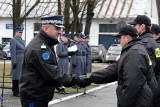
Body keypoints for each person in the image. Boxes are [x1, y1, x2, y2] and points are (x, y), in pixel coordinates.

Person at [19, 15, 86, 107]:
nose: (60, 32)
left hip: (37, 95)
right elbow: (54, 74)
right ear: (46, 28)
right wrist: (78, 80)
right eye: (57, 28)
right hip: (34, 98)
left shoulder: (44, 44)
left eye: (61, 29)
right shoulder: (40, 48)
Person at [81, 25, 153, 107]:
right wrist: (91, 78)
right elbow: (113, 70)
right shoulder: (131, 50)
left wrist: (123, 102)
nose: (119, 40)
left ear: (128, 38)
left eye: (120, 37)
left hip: (136, 102)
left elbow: (133, 84)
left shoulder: (134, 53)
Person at [129, 15, 160, 107]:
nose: (134, 28)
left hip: (149, 86)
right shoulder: (153, 42)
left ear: (142, 26)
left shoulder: (144, 43)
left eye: (135, 26)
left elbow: (149, 67)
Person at [10, 25, 25, 97]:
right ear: (16, 32)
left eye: (22, 32)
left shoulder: (21, 40)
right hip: (17, 61)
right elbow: (13, 52)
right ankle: (15, 91)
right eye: (20, 32)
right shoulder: (13, 40)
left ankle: (19, 90)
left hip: (22, 61)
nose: (21, 33)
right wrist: (14, 61)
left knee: (20, 76)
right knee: (16, 76)